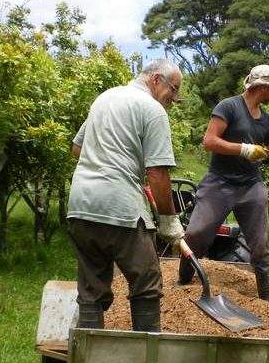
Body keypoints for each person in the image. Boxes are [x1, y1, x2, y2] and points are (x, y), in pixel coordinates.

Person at [178, 64, 269, 301]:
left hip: (251, 186)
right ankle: (183, 282)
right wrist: (243, 149)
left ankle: (266, 298)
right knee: (196, 233)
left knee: (260, 245)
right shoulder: (229, 107)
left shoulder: (267, 121)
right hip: (219, 183)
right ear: (263, 86)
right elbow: (209, 141)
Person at [67, 58, 184, 332]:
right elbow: (157, 172)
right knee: (146, 281)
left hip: (81, 205)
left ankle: (90, 357)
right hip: (120, 209)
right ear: (156, 79)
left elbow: (76, 148)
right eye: (174, 89)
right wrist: (169, 222)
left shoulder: (105, 98)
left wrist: (108, 163)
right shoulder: (152, 110)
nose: (175, 98)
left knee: (91, 287)